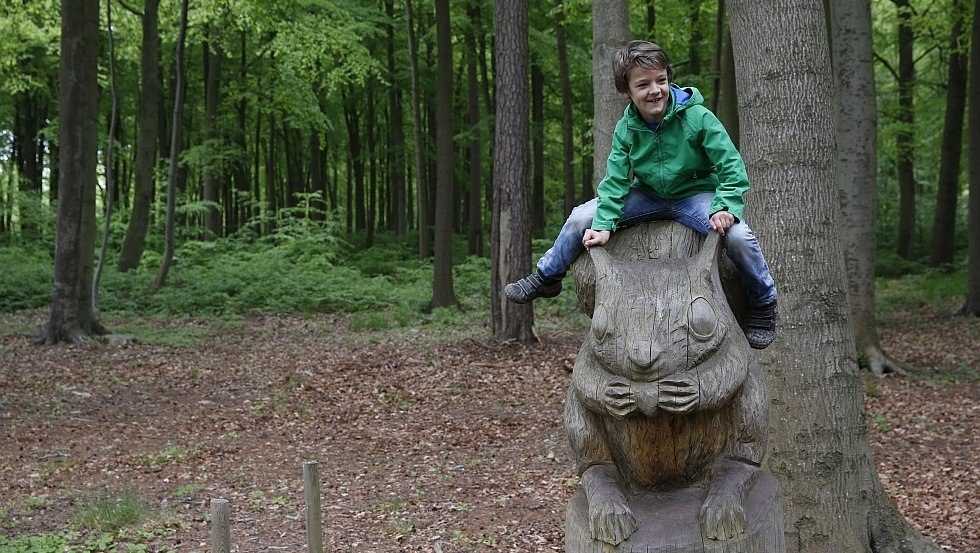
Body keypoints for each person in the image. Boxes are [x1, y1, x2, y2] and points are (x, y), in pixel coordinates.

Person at [504, 40, 778, 349]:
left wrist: (724, 205)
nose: (655, 90)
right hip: (648, 195)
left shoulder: (698, 117)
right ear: (626, 91)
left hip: (695, 194)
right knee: (581, 217)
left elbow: (731, 166)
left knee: (739, 237)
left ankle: (764, 302)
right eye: (643, 84)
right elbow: (616, 181)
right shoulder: (626, 128)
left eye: (661, 80)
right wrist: (604, 225)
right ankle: (548, 277)